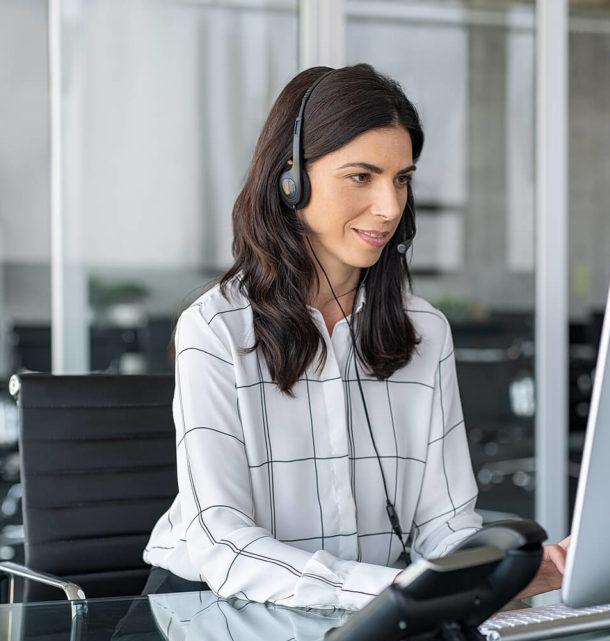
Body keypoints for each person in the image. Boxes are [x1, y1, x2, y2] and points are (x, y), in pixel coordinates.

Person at [143, 63, 566, 610]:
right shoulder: (217, 329)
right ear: (291, 178)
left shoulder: (425, 333)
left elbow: (445, 527)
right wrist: (395, 591)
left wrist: (506, 577)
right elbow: (224, 545)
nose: (390, 207)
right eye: (361, 176)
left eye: (402, 179)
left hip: (364, 618)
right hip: (206, 616)